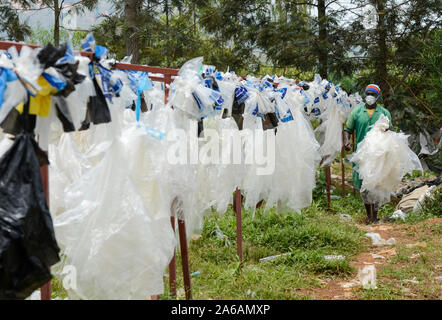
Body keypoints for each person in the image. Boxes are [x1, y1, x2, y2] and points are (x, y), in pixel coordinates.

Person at [343, 84, 392, 224]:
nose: (370, 96)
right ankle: (369, 215)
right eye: (368, 93)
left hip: (378, 154)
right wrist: (347, 142)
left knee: (377, 184)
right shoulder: (357, 112)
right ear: (365, 95)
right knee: (364, 184)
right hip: (362, 155)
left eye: (373, 94)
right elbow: (348, 129)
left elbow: (390, 131)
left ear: (377, 96)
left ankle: (375, 216)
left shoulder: (384, 113)